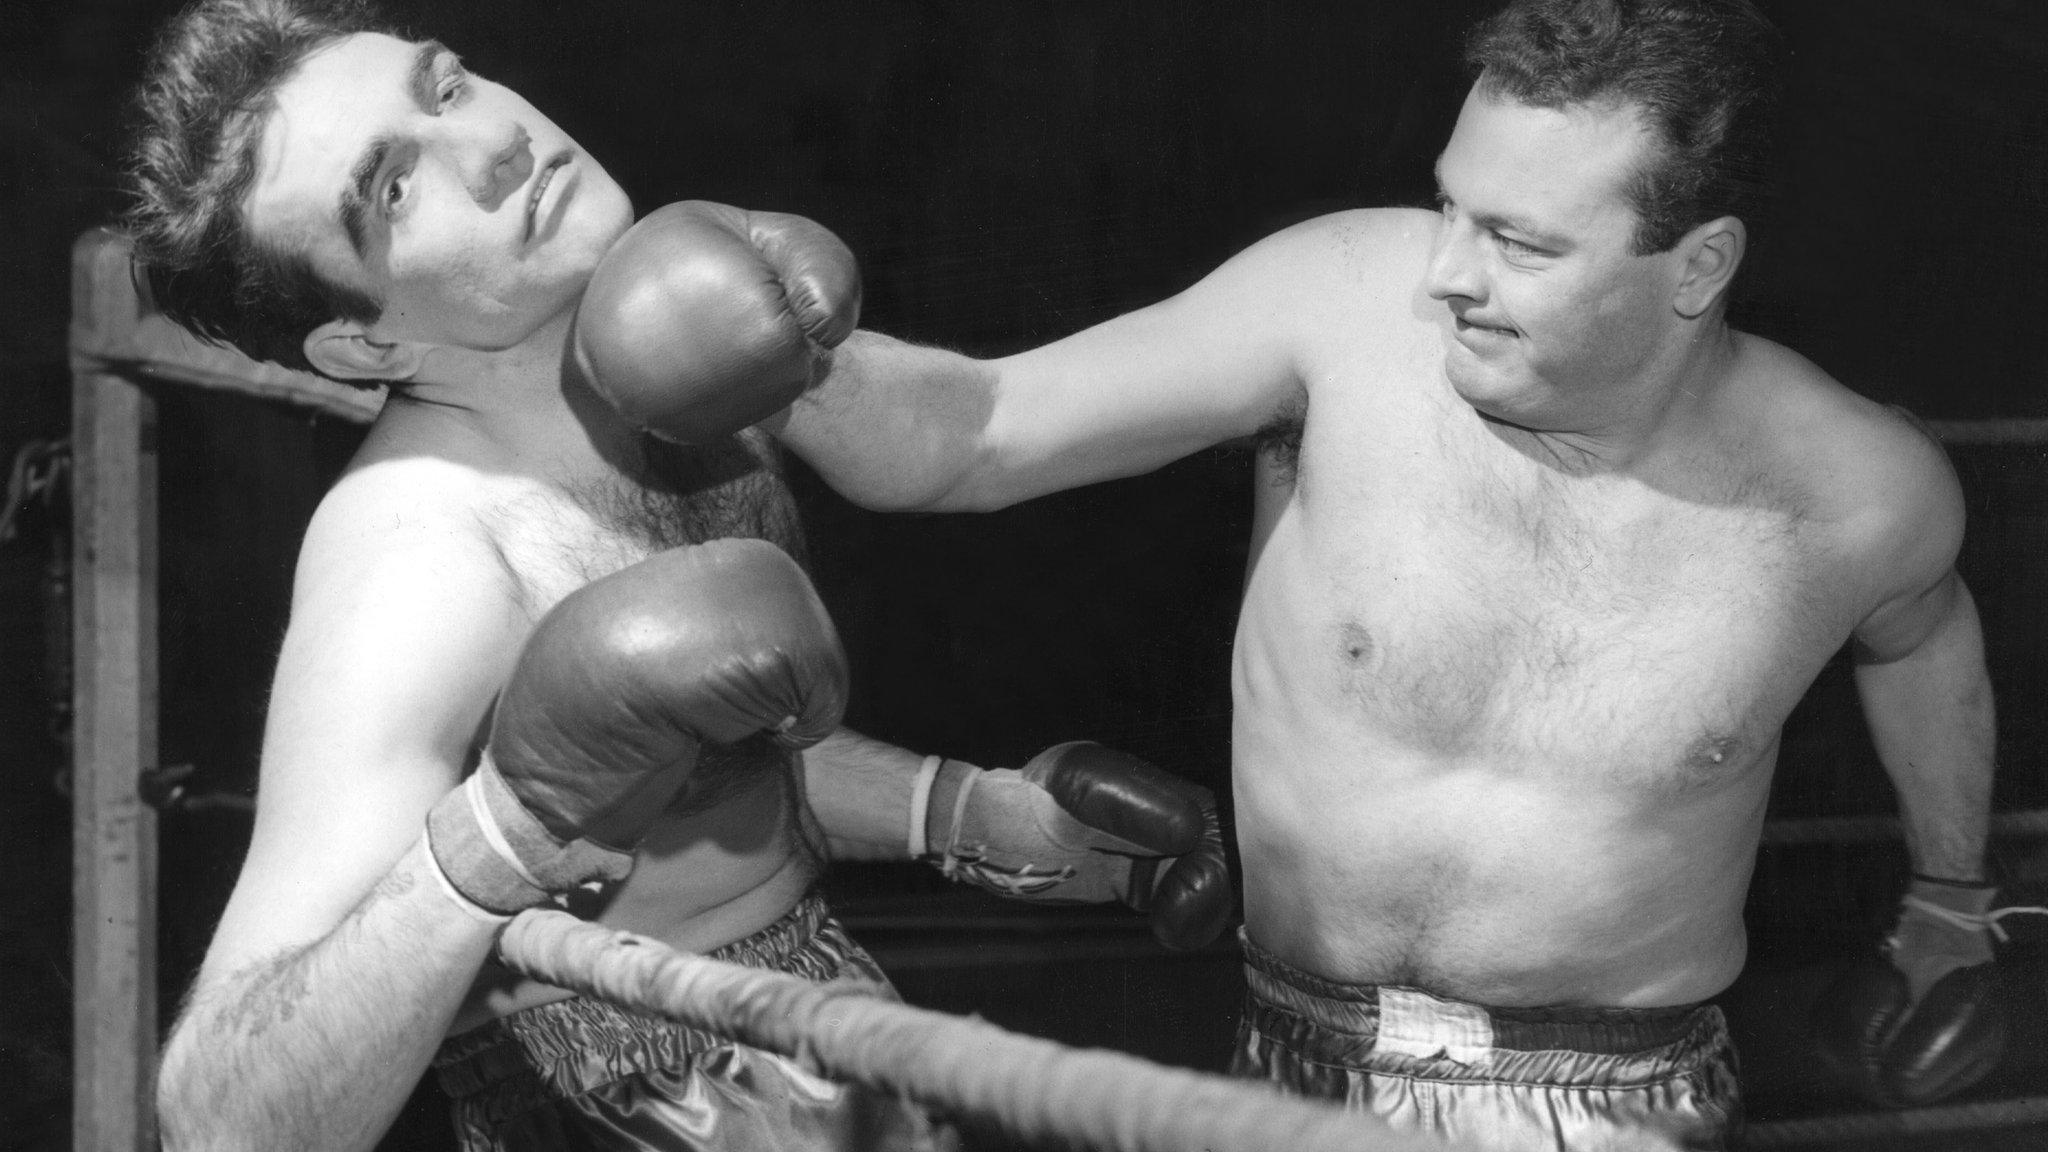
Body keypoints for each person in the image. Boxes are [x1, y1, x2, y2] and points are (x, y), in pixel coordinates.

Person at [620, 1, 2010, 1147]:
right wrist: (786, 352)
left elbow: (1923, 638)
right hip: (1296, 1061)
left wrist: (1948, 902)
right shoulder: (1337, 305)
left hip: (1622, 1095)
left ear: (1697, 265)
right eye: (1451, 208)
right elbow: (978, 434)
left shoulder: (1853, 493)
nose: (1448, 273)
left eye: (1521, 243)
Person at [124, 2, 1231, 1150]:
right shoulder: (419, 564)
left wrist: (970, 813)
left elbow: (685, 762)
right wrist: (503, 830)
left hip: (818, 1022)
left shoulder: (678, 373)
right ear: (367, 347)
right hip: (604, 1105)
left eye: (444, 86)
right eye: (395, 188)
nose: (493, 144)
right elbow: (223, 1120)